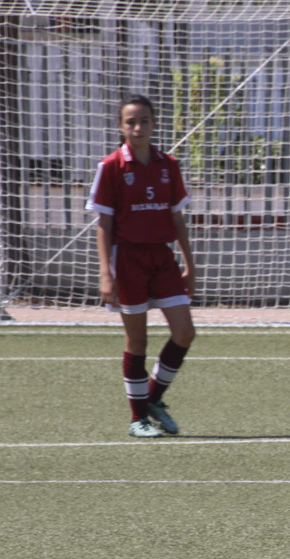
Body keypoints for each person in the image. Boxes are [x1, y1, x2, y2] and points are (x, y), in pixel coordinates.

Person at [86, 94, 196, 438]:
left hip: (162, 259)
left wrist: (189, 264)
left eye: (144, 120)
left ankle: (153, 399)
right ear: (121, 127)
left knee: (185, 332)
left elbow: (177, 218)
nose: (138, 127)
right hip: (128, 259)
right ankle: (138, 420)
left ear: (153, 123)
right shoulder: (112, 167)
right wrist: (107, 273)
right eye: (131, 122)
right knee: (138, 341)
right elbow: (103, 223)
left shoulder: (168, 165)